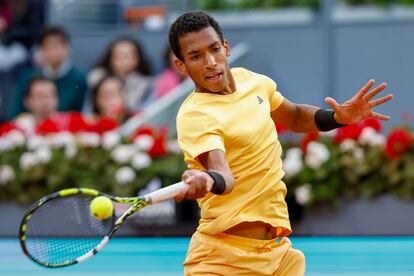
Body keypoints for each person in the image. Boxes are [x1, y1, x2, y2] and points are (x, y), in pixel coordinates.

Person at [169, 11, 393, 275]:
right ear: (181, 65)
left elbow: (295, 117)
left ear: (226, 47)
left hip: (278, 255)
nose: (210, 62)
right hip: (222, 259)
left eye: (214, 49)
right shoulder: (195, 115)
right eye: (195, 56)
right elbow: (222, 174)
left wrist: (337, 117)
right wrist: (208, 180)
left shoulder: (253, 81)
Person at [8, 26, 87, 120]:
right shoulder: (28, 77)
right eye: (49, 46)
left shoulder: (80, 79)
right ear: (41, 50)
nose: (55, 51)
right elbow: (15, 112)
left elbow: (79, 114)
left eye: (59, 46)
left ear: (68, 48)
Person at [88, 37, 153, 112]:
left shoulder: (146, 86)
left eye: (126, 56)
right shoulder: (97, 80)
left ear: (137, 58)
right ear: (110, 58)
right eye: (118, 55)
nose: (122, 60)